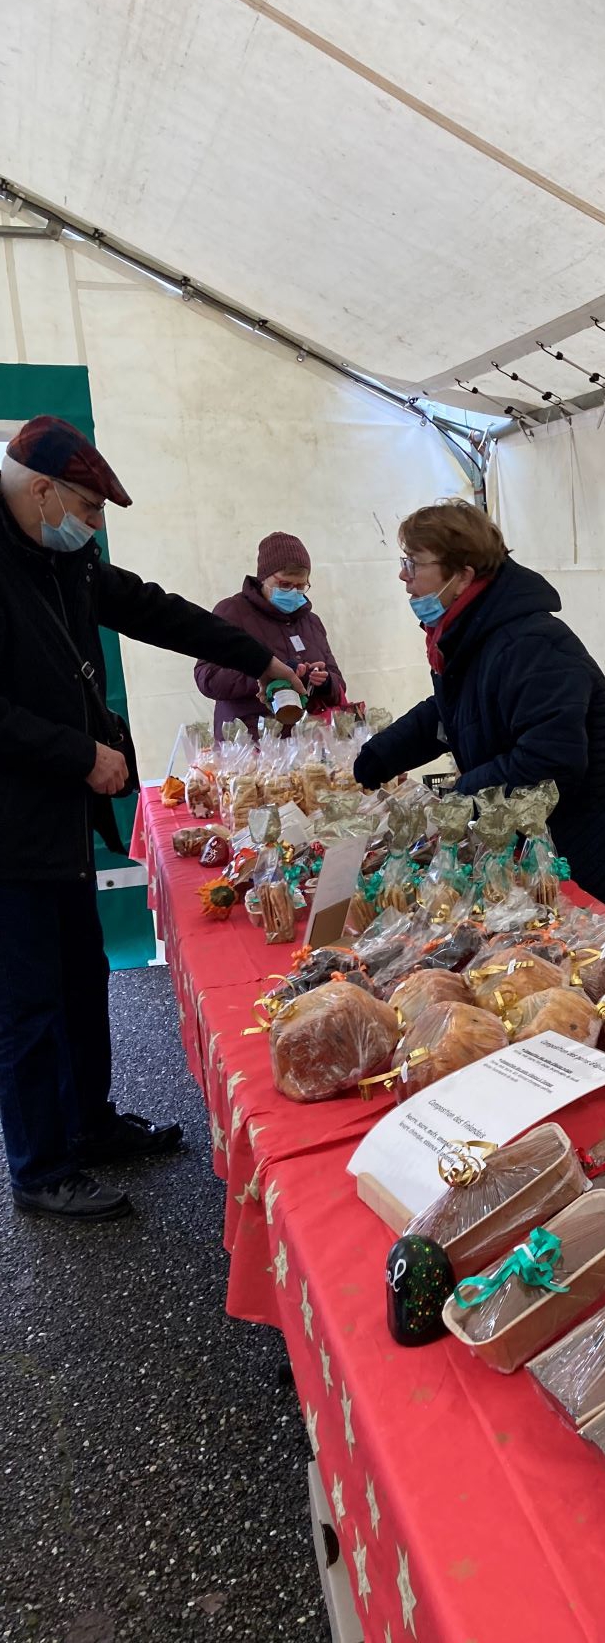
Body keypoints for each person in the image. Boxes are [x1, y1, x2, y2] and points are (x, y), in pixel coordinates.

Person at [0, 416, 298, 1222]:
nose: (93, 529)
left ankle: (88, 1125)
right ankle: (38, 1168)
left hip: (61, 816)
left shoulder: (63, 556)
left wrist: (261, 658)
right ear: (40, 491)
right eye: (89, 511)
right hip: (12, 824)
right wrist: (78, 753)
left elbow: (154, 610)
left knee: (80, 975)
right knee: (27, 1004)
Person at [353, 498, 605, 913]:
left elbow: (550, 760)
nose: (403, 575)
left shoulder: (532, 644)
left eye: (413, 563)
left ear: (462, 576)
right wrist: (377, 757)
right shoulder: (470, 635)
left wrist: (457, 799)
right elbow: (451, 713)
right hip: (567, 832)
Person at [194, 532, 347, 738]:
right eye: (285, 585)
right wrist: (265, 669)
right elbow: (207, 677)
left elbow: (338, 682)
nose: (293, 592)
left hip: (306, 745)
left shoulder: (311, 622)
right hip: (248, 747)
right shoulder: (232, 612)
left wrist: (325, 683)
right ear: (263, 578)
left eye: (301, 586)